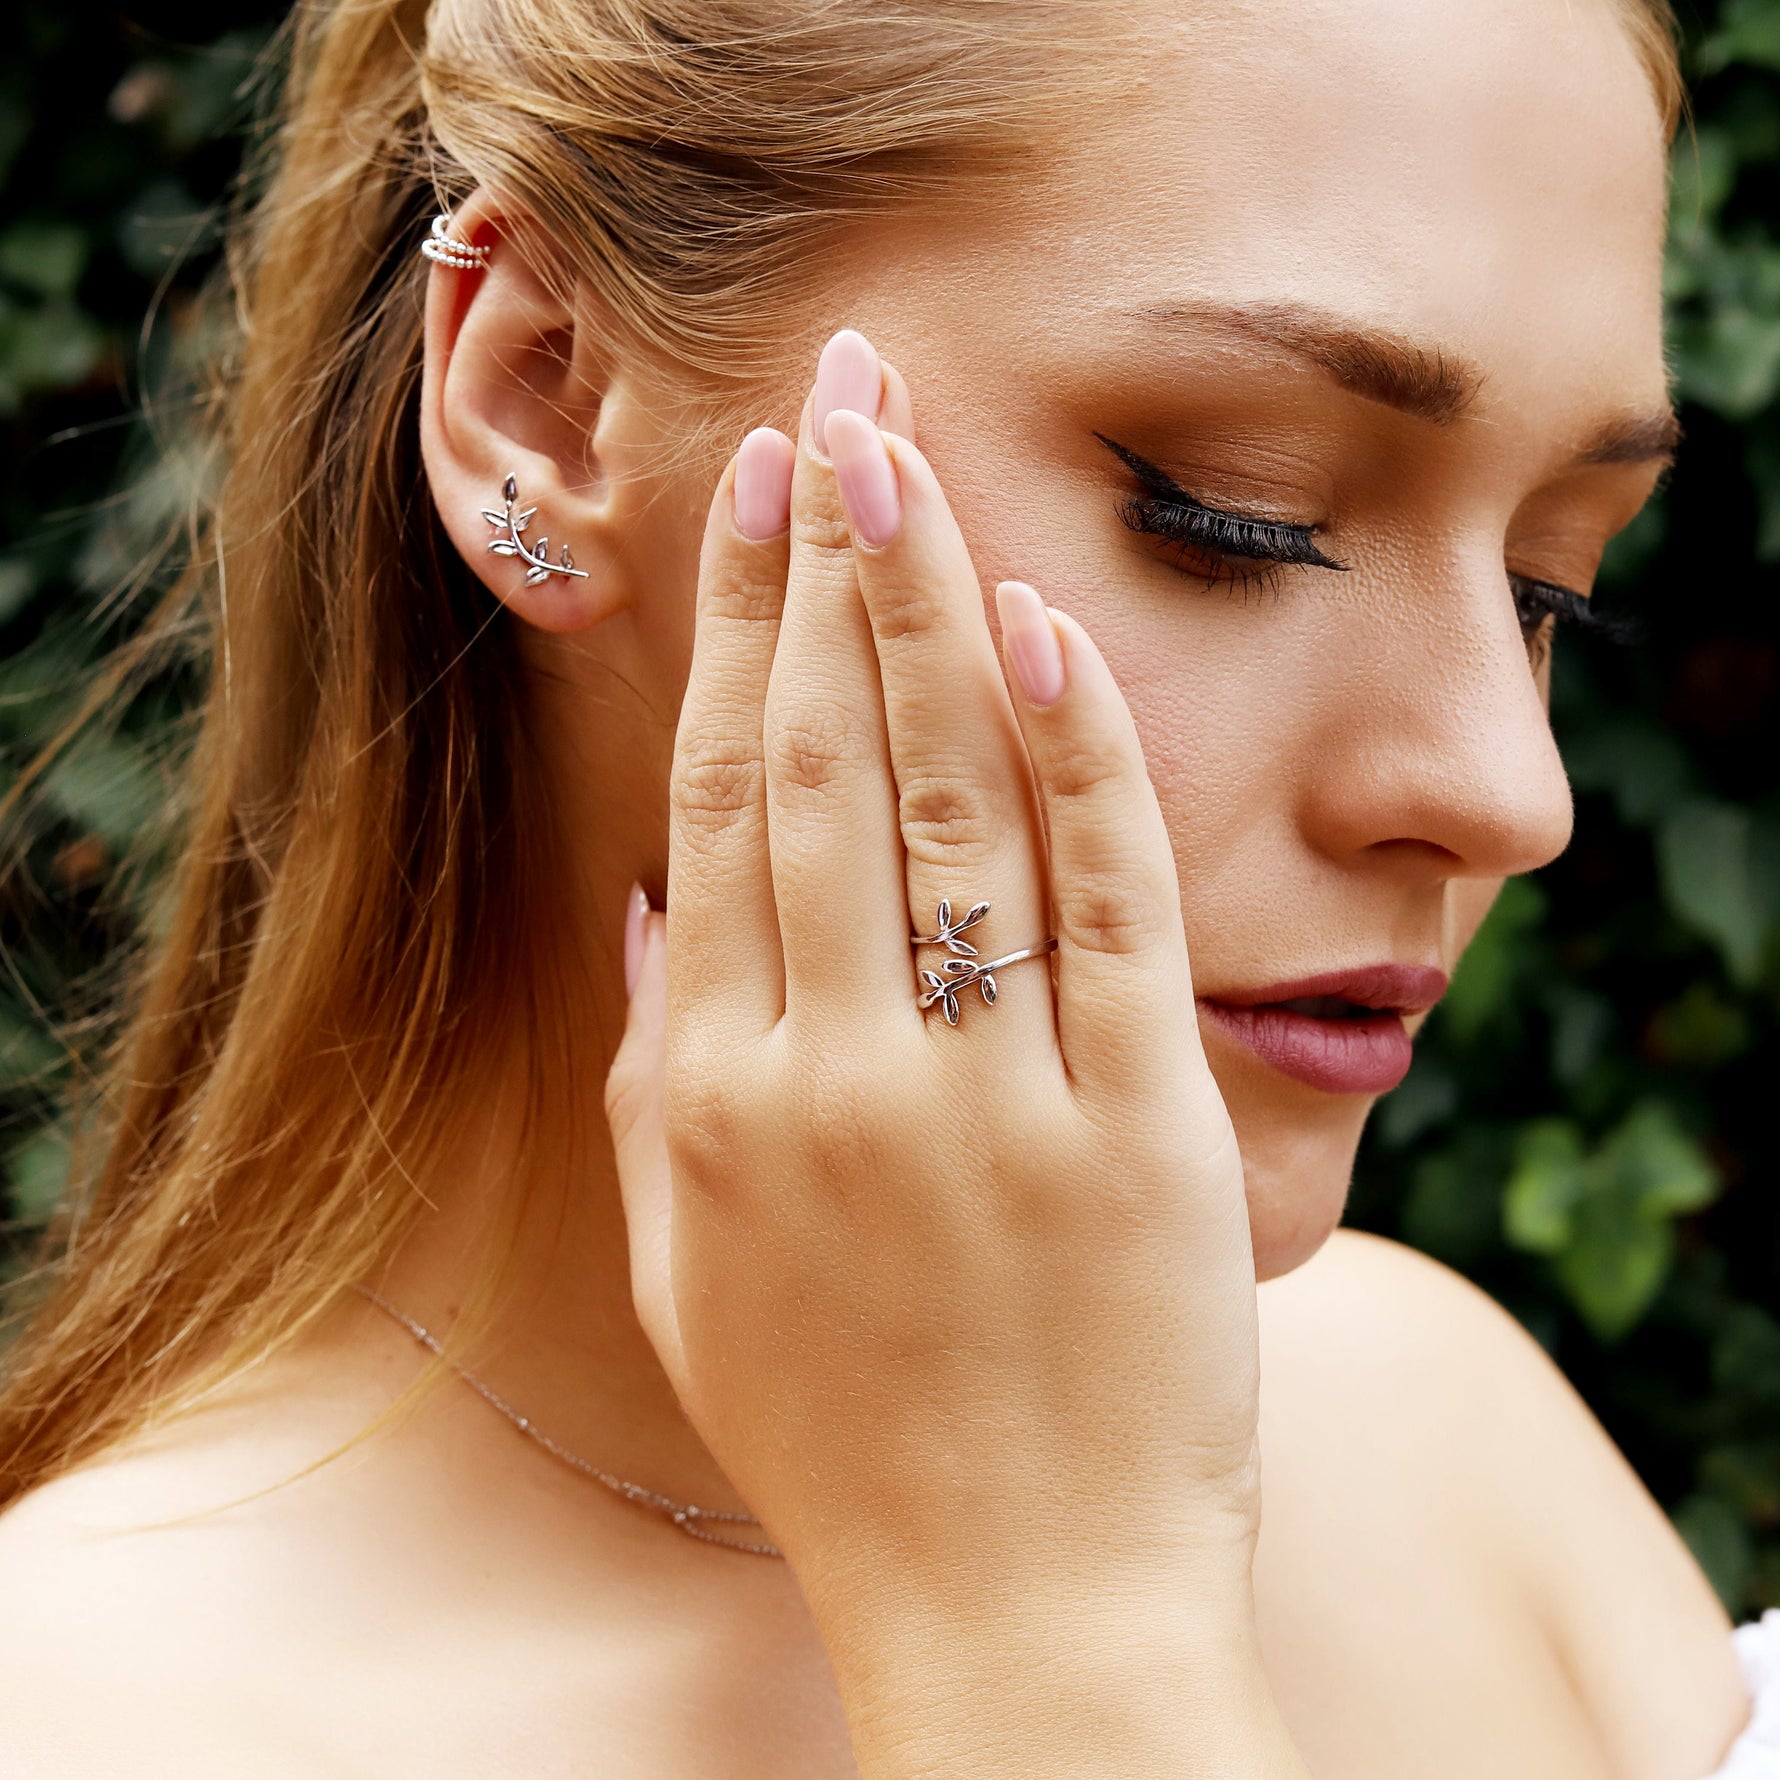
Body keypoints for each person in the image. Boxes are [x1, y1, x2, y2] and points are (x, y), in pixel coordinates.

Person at [0, 0, 1774, 1773]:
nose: (1503, 788)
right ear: (543, 400)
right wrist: (1054, 1644)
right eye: (1237, 514)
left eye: (1554, 584)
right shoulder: (105, 1714)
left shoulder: (1446, 1434)